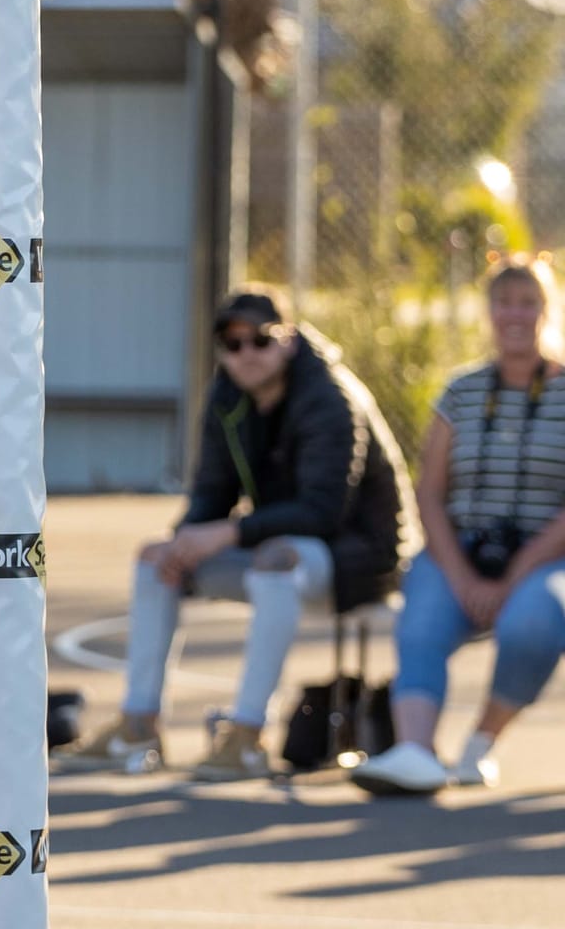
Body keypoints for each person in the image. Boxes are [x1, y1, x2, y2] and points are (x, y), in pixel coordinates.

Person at [61, 286, 411, 780]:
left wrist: (227, 533)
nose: (246, 353)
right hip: (275, 546)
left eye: (261, 340)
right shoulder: (226, 397)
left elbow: (323, 512)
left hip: (357, 559)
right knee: (155, 559)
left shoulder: (330, 397)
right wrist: (184, 540)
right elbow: (210, 493)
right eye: (233, 342)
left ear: (288, 340)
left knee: (276, 560)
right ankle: (138, 725)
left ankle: (247, 736)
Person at [353, 258, 565, 797]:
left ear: (547, 309)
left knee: (534, 622)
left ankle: (480, 743)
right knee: (421, 618)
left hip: (545, 556)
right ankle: (416, 751)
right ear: (489, 312)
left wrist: (515, 572)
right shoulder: (461, 392)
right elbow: (430, 490)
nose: (515, 314)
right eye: (504, 302)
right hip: (462, 548)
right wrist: (460, 573)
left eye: (527, 302)